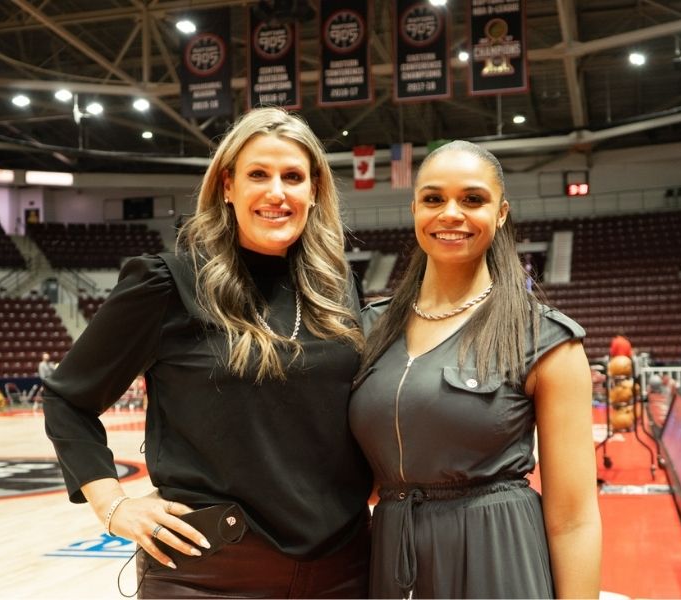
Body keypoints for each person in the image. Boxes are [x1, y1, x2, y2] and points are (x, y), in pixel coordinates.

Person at [43, 107, 372, 598]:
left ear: (314, 191)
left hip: (343, 569)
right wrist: (113, 505)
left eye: (293, 177)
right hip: (210, 574)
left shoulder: (339, 289)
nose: (277, 192)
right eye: (258, 174)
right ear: (227, 186)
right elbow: (68, 399)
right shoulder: (166, 283)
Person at [349, 141, 602, 598]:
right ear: (413, 209)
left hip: (498, 560)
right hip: (390, 558)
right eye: (433, 199)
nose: (450, 213)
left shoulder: (542, 338)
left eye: (472, 199)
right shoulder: (368, 328)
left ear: (501, 213)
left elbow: (574, 518)